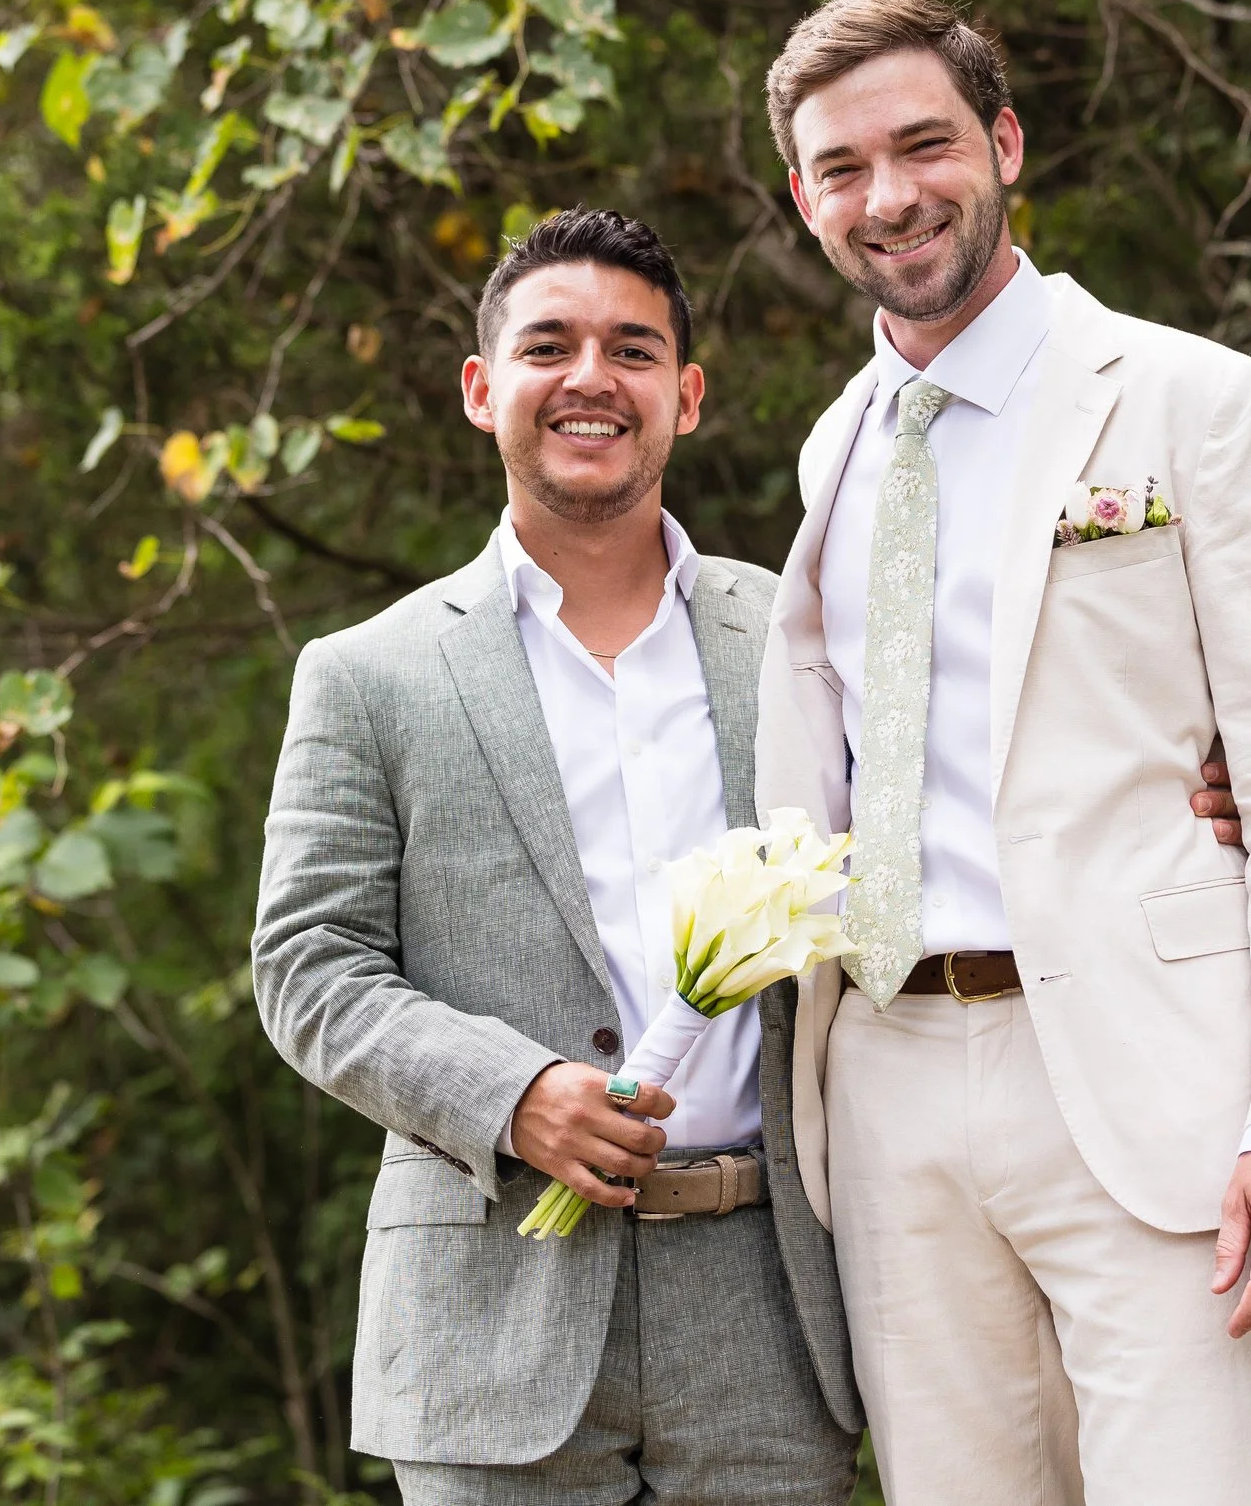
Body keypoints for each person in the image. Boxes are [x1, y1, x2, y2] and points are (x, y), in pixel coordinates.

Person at [753, 0, 1251, 1504]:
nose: (891, 194)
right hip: (891, 1082)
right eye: (843, 167)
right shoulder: (836, 449)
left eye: (925, 145)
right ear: (805, 197)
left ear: (1006, 143)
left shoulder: (1196, 404)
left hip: (1148, 1073)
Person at [250, 208, 861, 1505]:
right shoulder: (369, 675)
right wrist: (512, 1089)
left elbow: (955, 822)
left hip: (774, 1306)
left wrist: (1197, 794)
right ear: (484, 389)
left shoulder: (809, 634)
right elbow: (307, 967)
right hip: (488, 1310)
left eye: (633, 349)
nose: (592, 376)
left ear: (685, 396)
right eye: (550, 345)